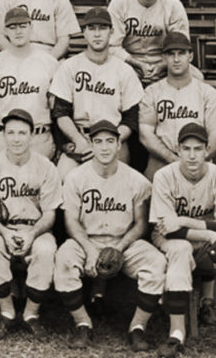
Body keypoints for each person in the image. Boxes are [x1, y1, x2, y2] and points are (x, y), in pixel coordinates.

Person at [54, 120, 166, 352]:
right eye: (98, 142)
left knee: (156, 262)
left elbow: (141, 224)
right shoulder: (76, 178)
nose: (104, 147)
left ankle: (137, 328)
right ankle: (83, 323)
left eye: (109, 141)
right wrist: (89, 249)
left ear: (118, 145)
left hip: (124, 241)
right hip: (87, 239)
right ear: (91, 146)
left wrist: (120, 247)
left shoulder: (136, 180)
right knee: (64, 259)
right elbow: (71, 221)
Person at [150, 123, 216, 358]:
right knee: (181, 249)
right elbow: (168, 230)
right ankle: (176, 335)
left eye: (198, 149)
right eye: (186, 149)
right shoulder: (164, 176)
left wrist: (185, 220)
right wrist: (208, 233)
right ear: (178, 150)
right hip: (170, 240)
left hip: (205, 241)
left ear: (207, 150)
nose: (192, 155)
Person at [0, 109, 61, 341]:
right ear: (2, 135)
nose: (16, 138)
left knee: (45, 249)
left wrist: (32, 233)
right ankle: (7, 312)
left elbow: (50, 213)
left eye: (22, 133)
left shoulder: (45, 166)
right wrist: (4, 232)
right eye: (11, 132)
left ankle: (31, 315)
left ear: (32, 135)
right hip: (1, 226)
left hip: (35, 226)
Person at [50, 7, 144, 179]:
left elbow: (130, 119)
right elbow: (60, 112)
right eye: (91, 28)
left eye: (102, 28)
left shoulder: (124, 71)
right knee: (64, 179)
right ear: (84, 33)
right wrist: (79, 141)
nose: (97, 34)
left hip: (115, 141)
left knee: (119, 191)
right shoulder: (70, 66)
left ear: (111, 32)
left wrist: (108, 144)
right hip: (80, 139)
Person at [0, 6, 60, 165]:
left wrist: (60, 145)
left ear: (31, 27)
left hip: (39, 138)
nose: (18, 31)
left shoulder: (49, 63)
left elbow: (58, 110)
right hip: (1, 137)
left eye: (22, 26)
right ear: (5, 31)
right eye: (12, 27)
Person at [139, 32, 216, 181]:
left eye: (181, 53)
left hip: (199, 165)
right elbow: (146, 135)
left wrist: (193, 162)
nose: (176, 59)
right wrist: (174, 161)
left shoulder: (207, 93)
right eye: (171, 54)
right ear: (164, 58)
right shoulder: (151, 92)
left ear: (190, 56)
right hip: (161, 163)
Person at [107, 0, 201, 85]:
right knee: (110, 78)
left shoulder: (173, 5)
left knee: (197, 78)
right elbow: (112, 46)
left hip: (164, 62)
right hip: (128, 61)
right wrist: (136, 64)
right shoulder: (120, 3)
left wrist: (163, 65)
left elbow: (182, 45)